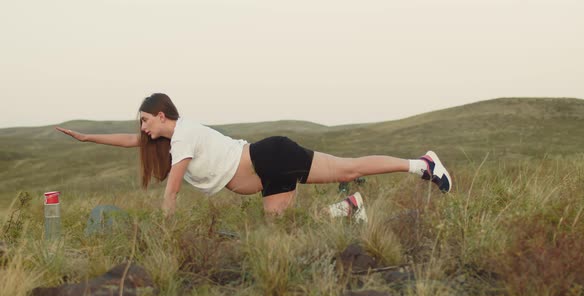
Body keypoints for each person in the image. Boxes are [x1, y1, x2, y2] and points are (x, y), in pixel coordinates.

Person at [56, 93, 451, 221]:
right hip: (269, 159)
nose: (142, 128)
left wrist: (166, 232)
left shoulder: (185, 136)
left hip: (269, 159)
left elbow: (171, 191)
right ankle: (405, 174)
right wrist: (87, 137)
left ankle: (418, 167)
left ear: (161, 115)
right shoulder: (173, 138)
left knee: (283, 220)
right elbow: (132, 142)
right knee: (337, 176)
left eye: (145, 120)